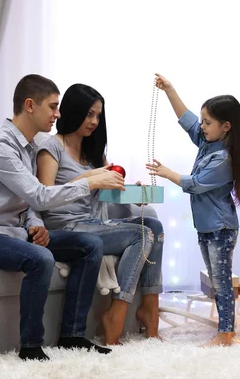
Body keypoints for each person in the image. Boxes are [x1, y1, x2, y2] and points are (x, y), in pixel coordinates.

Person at [0, 74, 125, 361]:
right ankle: (31, 347)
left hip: (15, 233)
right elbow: (39, 194)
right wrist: (91, 182)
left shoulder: (31, 147)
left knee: (90, 245)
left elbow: (29, 203)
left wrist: (35, 224)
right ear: (30, 106)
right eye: (52, 106)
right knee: (41, 258)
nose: (58, 114)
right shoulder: (0, 146)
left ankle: (72, 335)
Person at [36, 83, 164, 345]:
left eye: (98, 115)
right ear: (73, 111)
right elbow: (45, 196)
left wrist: (131, 193)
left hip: (95, 223)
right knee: (143, 233)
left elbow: (108, 191)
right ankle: (117, 311)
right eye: (89, 114)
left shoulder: (94, 152)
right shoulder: (52, 148)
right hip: (67, 228)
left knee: (154, 226)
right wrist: (90, 177)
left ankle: (150, 309)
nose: (94, 121)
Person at [147, 73, 240, 347]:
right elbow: (188, 120)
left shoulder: (224, 158)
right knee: (216, 282)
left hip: (220, 229)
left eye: (208, 122)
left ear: (226, 126)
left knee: (221, 282)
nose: (203, 126)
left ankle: (226, 334)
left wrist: (168, 172)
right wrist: (169, 89)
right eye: (204, 121)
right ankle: (224, 328)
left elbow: (195, 184)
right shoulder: (209, 141)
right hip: (206, 227)